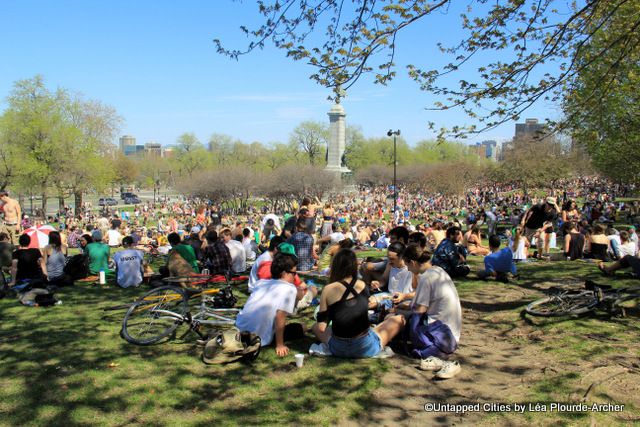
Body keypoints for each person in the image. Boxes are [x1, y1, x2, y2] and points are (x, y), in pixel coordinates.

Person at [312, 248, 405, 358]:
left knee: (315, 327)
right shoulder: (362, 285)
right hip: (365, 347)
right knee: (400, 319)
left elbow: (322, 327)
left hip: (338, 348)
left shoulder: (328, 289)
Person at [406, 247, 462, 379]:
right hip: (453, 332)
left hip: (440, 336)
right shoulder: (439, 271)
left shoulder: (426, 278)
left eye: (407, 265)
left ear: (412, 263)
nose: (408, 269)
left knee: (403, 320)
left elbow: (419, 311)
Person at [236, 252, 306, 357]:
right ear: (284, 273)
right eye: (294, 273)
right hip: (259, 337)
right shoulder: (289, 289)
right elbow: (280, 316)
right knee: (303, 327)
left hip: (240, 329)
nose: (295, 276)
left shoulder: (261, 283)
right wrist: (280, 344)